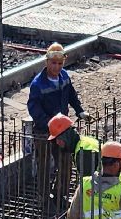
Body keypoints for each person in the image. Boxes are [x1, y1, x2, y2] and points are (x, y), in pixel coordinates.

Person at [28, 43, 86, 206]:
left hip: (63, 130)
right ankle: (44, 197)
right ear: (47, 62)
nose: (57, 66)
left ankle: (60, 194)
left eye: (60, 63)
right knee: (44, 165)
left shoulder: (64, 77)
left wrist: (79, 110)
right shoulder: (38, 84)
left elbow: (71, 96)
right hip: (44, 131)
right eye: (54, 63)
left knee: (66, 162)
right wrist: (48, 123)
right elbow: (33, 107)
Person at [48, 113, 101, 202]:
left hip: (107, 189)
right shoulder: (83, 141)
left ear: (66, 135)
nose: (57, 143)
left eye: (58, 138)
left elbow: (88, 187)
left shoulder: (84, 153)